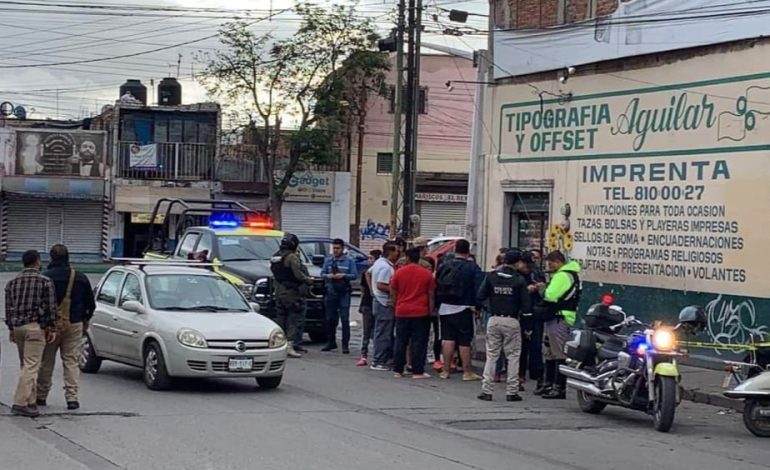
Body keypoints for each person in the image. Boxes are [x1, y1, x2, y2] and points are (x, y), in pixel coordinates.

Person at [37, 244, 96, 410]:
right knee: (71, 361)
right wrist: (85, 320)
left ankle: (41, 396)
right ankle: (72, 397)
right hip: (74, 324)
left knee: (46, 361)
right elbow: (91, 304)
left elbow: (39, 304)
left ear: (51, 258)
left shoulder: (45, 277)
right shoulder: (80, 277)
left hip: (50, 327)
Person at [5, 250, 57, 417]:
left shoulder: (12, 283)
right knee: (32, 365)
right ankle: (20, 403)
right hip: (35, 327)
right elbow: (50, 308)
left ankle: (31, 401)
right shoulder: (45, 282)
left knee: (26, 365)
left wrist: (11, 329)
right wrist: (52, 327)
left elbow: (8, 308)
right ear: (37, 262)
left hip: (18, 327)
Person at [477, 250, 531, 402]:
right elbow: (526, 306)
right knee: (513, 356)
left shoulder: (491, 277)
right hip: (512, 320)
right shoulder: (519, 280)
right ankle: (512, 391)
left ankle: (486, 390)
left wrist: (490, 308)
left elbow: (480, 297)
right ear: (517, 263)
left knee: (492, 355)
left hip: (494, 319)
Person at [534, 250, 581, 399]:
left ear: (557, 262)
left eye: (550, 263)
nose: (549, 266)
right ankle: (549, 384)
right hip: (556, 317)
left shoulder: (563, 275)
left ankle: (558, 387)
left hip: (560, 318)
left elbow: (551, 295)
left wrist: (542, 288)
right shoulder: (567, 274)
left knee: (558, 353)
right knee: (549, 351)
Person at [435, 239, 484, 381]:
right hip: (464, 307)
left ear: (454, 250)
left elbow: (436, 283)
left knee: (448, 339)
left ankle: (445, 370)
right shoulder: (472, 267)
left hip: (445, 307)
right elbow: (479, 288)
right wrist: (478, 306)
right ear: (468, 251)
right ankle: (467, 372)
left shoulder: (444, 265)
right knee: (464, 340)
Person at [390, 247, 436, 379]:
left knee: (401, 341)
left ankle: (398, 370)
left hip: (402, 310)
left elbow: (393, 292)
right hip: (420, 311)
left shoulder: (399, 272)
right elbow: (431, 294)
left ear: (407, 258)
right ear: (419, 258)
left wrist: (395, 306)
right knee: (419, 342)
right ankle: (417, 371)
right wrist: (431, 310)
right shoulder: (426, 273)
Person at [271, 233, 314, 358]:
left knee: (281, 318)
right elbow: (298, 275)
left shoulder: (276, 257)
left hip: (279, 291)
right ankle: (289, 345)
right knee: (294, 319)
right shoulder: (291, 257)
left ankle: (279, 345)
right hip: (292, 292)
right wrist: (309, 280)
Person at [320, 239, 358, 353]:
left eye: (338, 248)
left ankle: (345, 345)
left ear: (342, 249)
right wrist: (329, 276)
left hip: (344, 293)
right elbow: (322, 274)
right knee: (330, 319)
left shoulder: (349, 261)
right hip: (331, 293)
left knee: (345, 319)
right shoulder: (328, 260)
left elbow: (354, 275)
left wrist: (343, 275)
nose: (336, 250)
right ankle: (331, 342)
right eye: (334, 248)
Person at [519, 250, 547, 394]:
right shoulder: (516, 275)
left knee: (535, 346)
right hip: (520, 314)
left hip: (535, 313)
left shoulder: (536, 273)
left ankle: (538, 377)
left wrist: (540, 287)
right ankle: (519, 376)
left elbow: (544, 292)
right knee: (520, 347)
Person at [369, 242, 399, 371]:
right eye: (396, 251)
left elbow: (368, 273)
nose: (398, 253)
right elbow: (381, 284)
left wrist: (372, 290)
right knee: (383, 333)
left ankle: (383, 358)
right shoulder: (386, 267)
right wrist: (394, 291)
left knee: (382, 331)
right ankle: (378, 361)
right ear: (390, 252)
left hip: (379, 301)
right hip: (384, 303)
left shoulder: (379, 263)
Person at [357, 249, 380, 366]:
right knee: (366, 331)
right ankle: (364, 354)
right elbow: (362, 290)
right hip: (367, 304)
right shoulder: (365, 273)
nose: (369, 261)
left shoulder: (379, 272)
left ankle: (377, 354)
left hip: (377, 304)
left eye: (371, 258)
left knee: (376, 331)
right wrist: (361, 304)